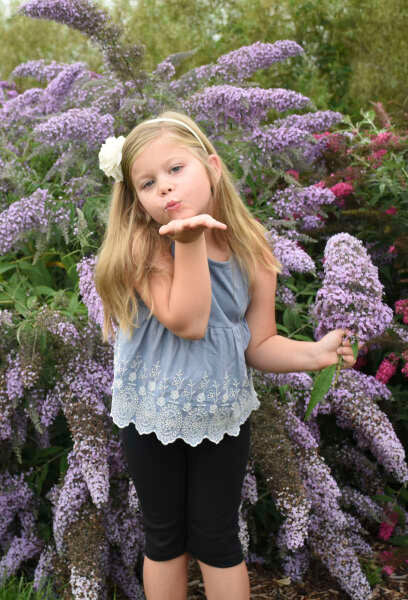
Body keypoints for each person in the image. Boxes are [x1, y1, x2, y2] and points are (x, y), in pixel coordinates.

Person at [93, 111, 357, 600]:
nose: (166, 189)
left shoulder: (248, 246)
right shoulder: (141, 247)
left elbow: (259, 343)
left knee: (218, 538)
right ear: (137, 200)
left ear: (211, 167)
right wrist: (189, 242)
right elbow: (188, 321)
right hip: (152, 413)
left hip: (222, 413)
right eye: (148, 183)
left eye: (176, 169)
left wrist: (313, 354)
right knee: (165, 537)